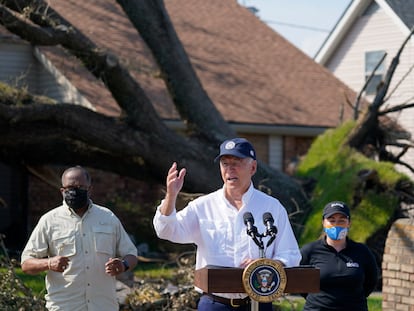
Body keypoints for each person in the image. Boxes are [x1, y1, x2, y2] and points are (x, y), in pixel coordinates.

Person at [153, 138, 301, 311]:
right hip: (215, 303)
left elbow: (290, 254)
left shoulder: (271, 207)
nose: (230, 169)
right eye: (225, 163)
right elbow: (166, 231)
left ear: (252, 167)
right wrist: (171, 197)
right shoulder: (203, 206)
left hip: (258, 302)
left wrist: (265, 266)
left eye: (236, 163)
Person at [21, 166, 138, 311]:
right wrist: (49, 263)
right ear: (62, 191)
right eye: (70, 187)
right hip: (65, 306)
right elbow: (26, 264)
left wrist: (123, 265)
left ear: (90, 189)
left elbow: (131, 254)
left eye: (80, 187)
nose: (75, 191)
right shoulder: (49, 221)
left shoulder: (108, 217)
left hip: (103, 305)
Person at [300, 201, 378, 311]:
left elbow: (370, 282)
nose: (336, 225)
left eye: (342, 221)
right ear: (323, 223)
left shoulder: (362, 251)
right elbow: (300, 282)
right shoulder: (310, 251)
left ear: (349, 223)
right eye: (331, 221)